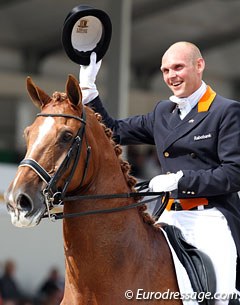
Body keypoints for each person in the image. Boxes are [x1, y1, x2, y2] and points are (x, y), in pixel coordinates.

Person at [78, 42, 240, 304]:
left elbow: (234, 173)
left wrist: (181, 181)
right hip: (167, 215)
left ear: (199, 66)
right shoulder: (163, 112)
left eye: (178, 67)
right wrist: (89, 91)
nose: (171, 76)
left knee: (220, 295)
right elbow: (113, 131)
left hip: (209, 218)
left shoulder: (226, 111)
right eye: (165, 70)